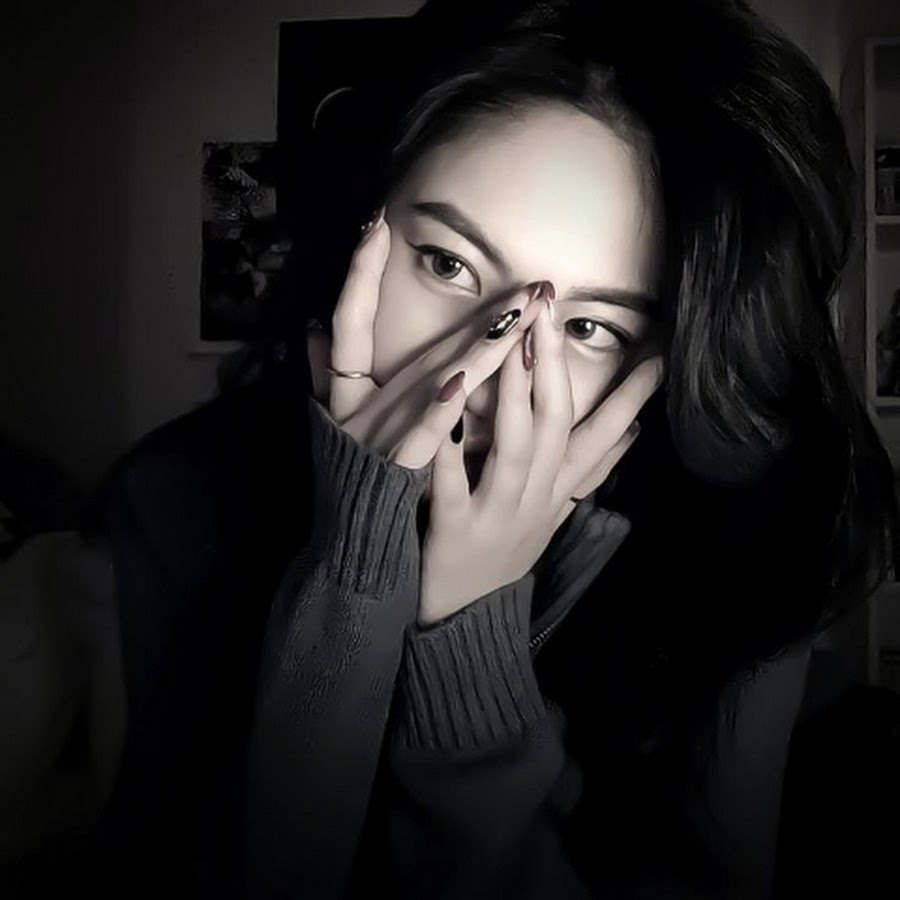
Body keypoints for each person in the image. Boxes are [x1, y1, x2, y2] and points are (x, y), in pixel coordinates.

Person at [1, 1, 896, 898]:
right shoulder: (177, 503)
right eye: (447, 264)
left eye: (589, 327)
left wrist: (473, 626)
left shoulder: (750, 555)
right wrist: (354, 570)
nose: (483, 373)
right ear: (360, 240)